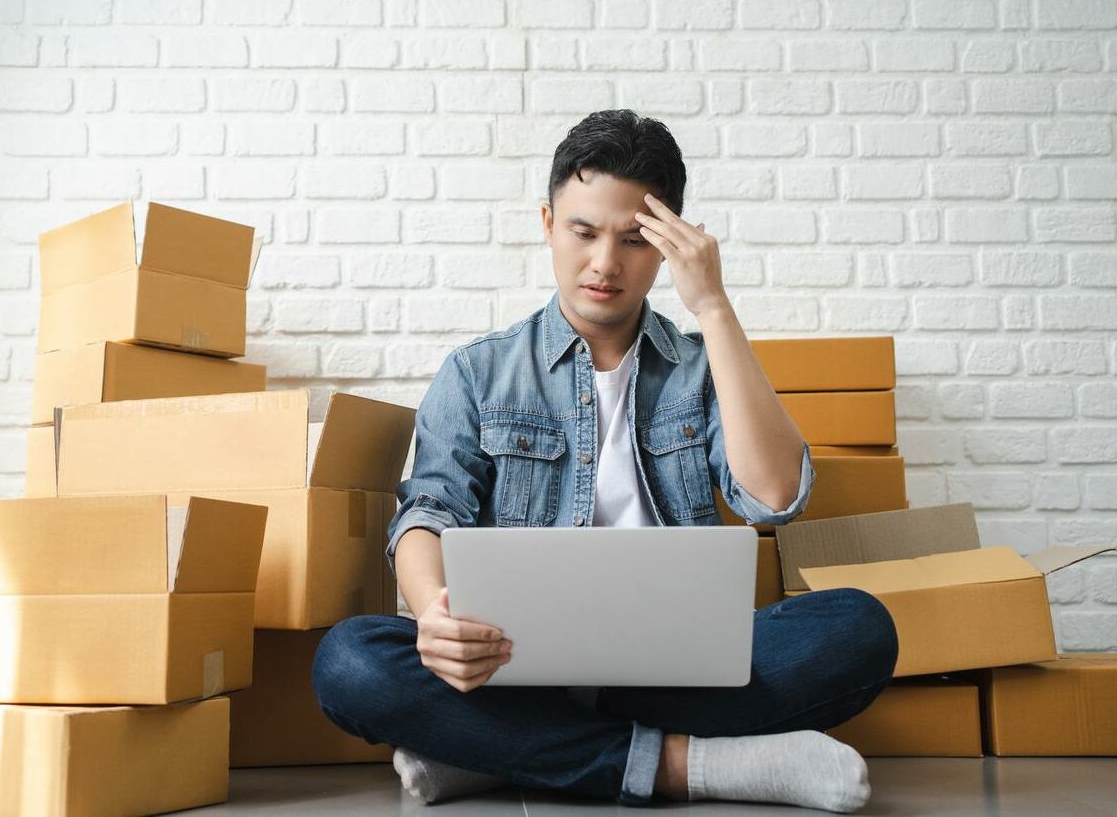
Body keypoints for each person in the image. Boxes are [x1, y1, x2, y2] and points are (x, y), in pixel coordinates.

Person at [311, 109, 898, 812]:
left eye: (634, 240)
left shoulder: (701, 369)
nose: (604, 264)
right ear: (547, 222)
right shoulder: (478, 372)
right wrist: (435, 616)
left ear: (671, 245)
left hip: (671, 669)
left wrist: (713, 306)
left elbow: (775, 496)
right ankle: (692, 767)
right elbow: (428, 512)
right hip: (512, 665)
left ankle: (497, 752)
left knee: (859, 629)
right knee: (349, 661)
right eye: (582, 232)